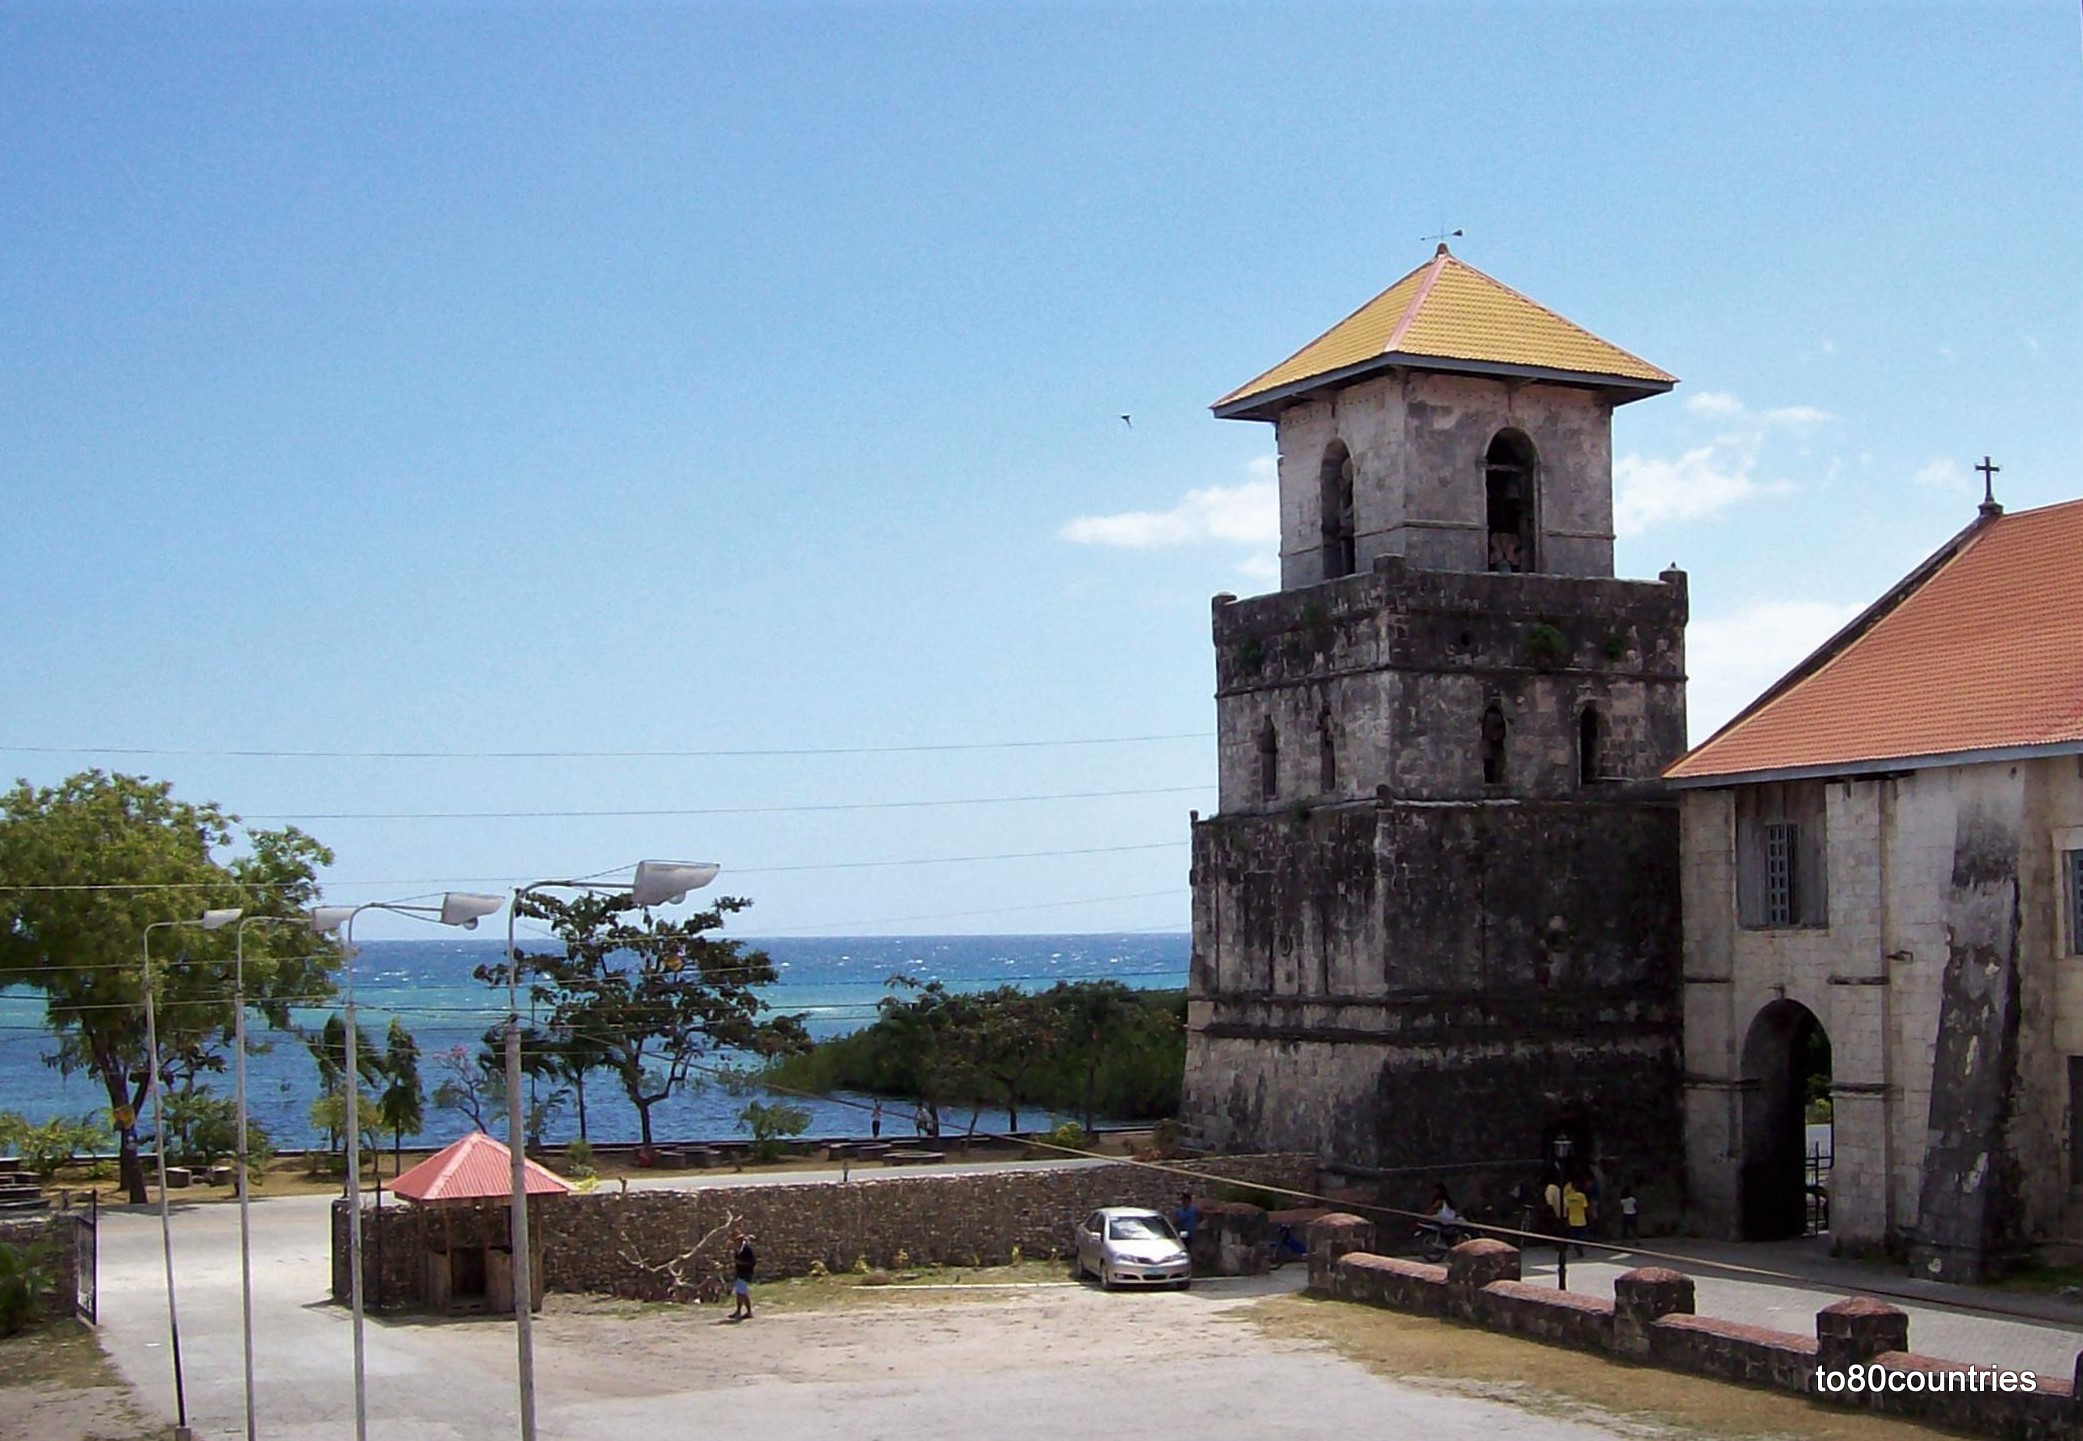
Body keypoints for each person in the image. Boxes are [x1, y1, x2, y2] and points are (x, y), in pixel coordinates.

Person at [1562, 1178, 1590, 1258]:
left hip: (1572, 1220)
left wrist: (1566, 1220)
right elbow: (1585, 1207)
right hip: (1581, 1220)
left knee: (1573, 1237)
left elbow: (1566, 1209)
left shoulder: (1568, 1197)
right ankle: (1579, 1250)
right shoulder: (1582, 1196)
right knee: (1580, 1236)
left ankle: (1577, 1249)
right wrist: (1589, 1217)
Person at [731, 1233, 757, 1319]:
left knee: (740, 1293)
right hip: (740, 1273)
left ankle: (738, 1312)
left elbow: (752, 1262)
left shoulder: (747, 1249)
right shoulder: (737, 1250)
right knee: (743, 1292)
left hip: (745, 1273)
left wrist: (741, 1263)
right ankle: (748, 1312)